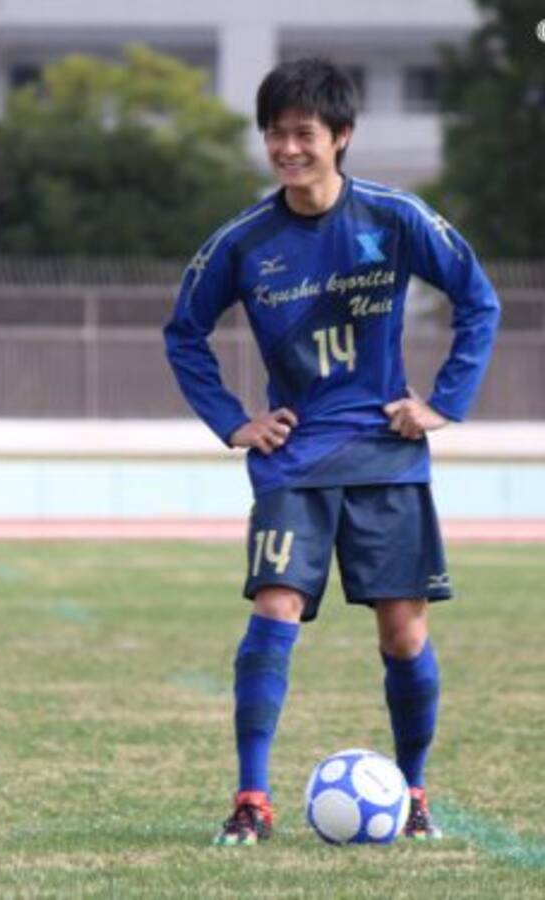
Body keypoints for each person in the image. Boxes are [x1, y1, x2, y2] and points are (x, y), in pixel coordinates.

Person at [164, 58, 501, 846]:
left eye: (304, 134)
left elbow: (477, 298)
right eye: (276, 134)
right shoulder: (243, 243)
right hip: (294, 463)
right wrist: (234, 421)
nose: (288, 149)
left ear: (340, 137)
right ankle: (252, 799)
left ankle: (414, 793)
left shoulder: (393, 217)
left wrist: (443, 404)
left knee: (403, 636)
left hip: (387, 456)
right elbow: (182, 332)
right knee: (273, 610)